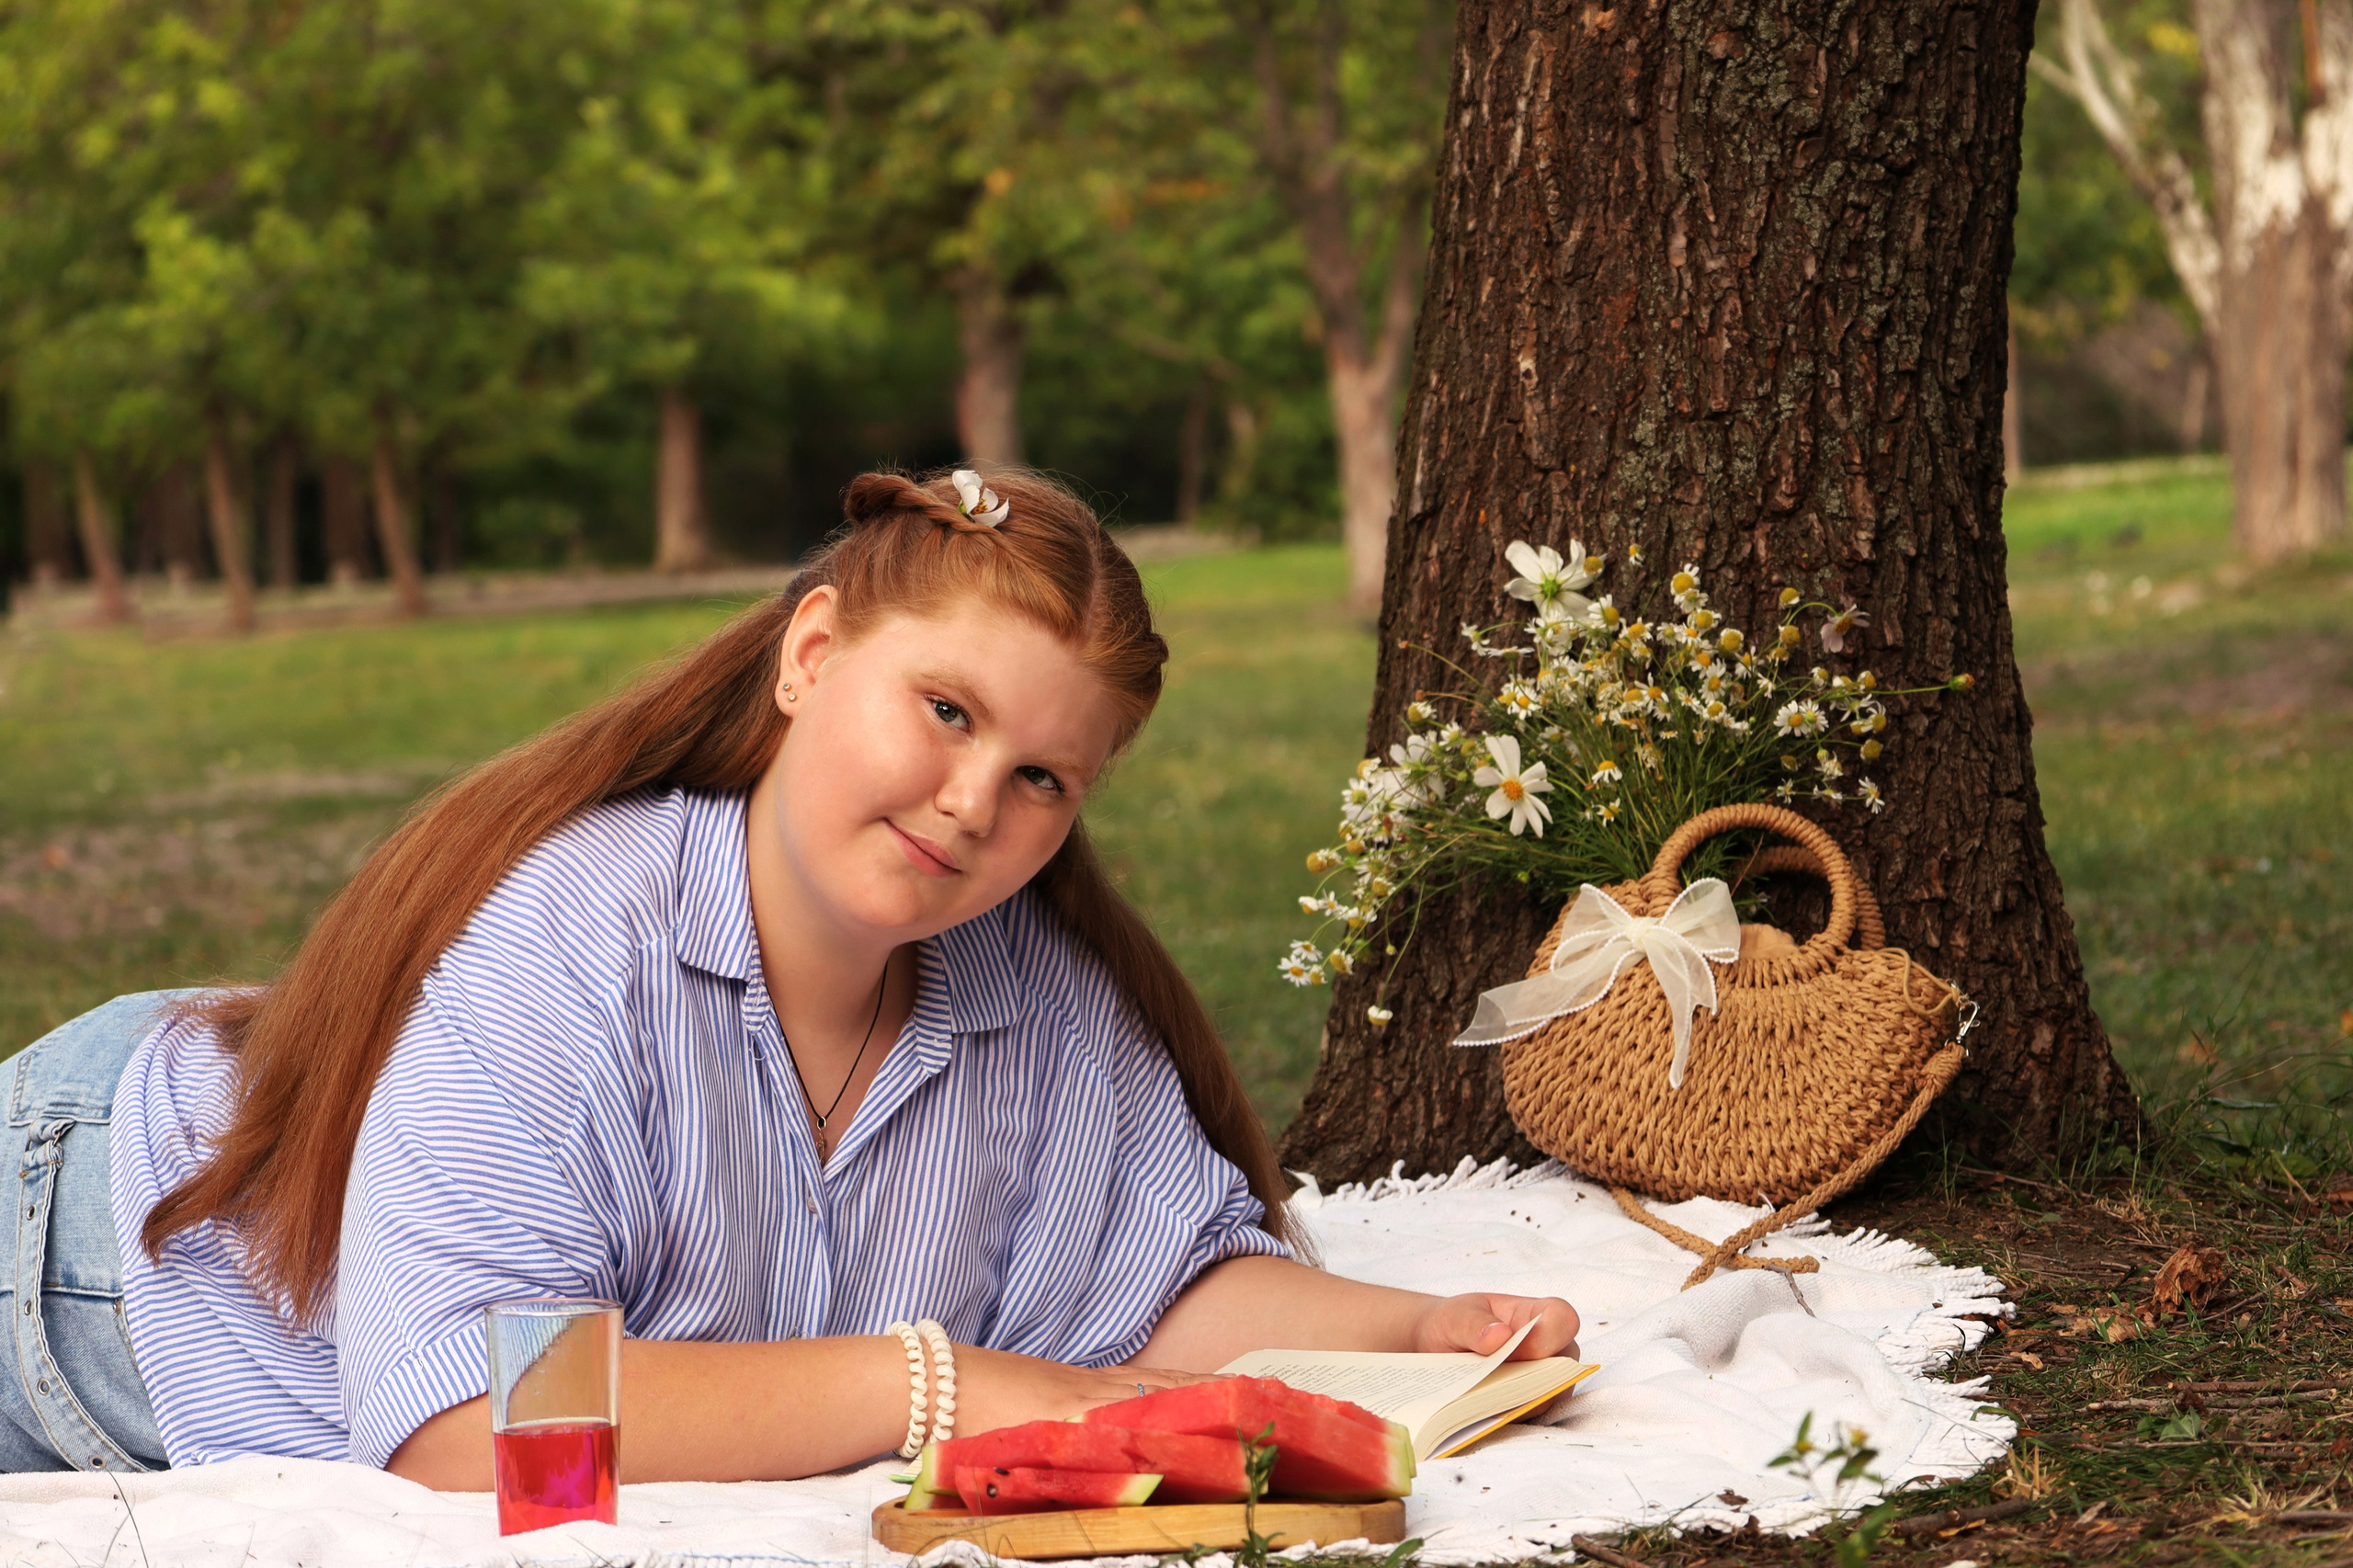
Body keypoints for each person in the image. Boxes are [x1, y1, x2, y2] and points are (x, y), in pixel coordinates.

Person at [2, 469, 1578, 1484]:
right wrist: (933, 1384)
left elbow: (1161, 1283)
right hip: (92, 1243)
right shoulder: (585, 929)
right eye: (947, 710)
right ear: (811, 654)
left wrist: (1420, 1320)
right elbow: (486, 1435)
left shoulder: (1030, 993)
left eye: (1045, 777)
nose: (977, 800)